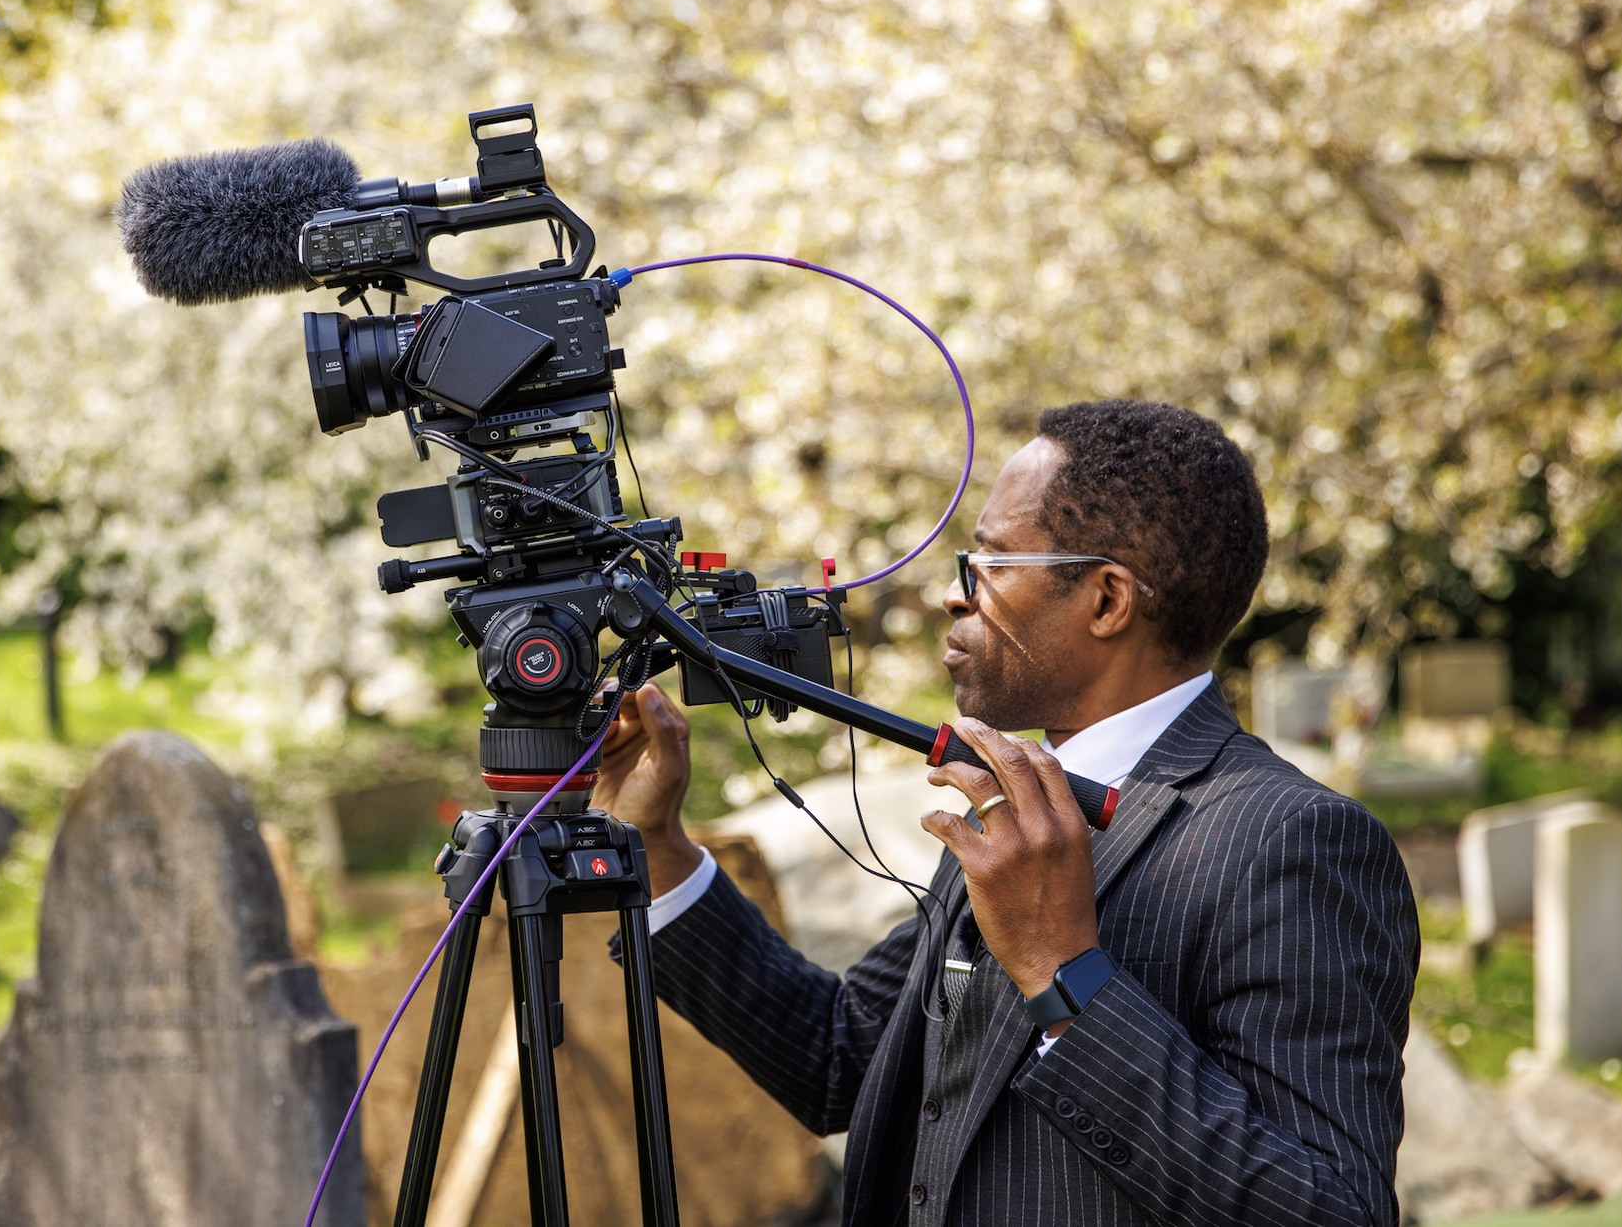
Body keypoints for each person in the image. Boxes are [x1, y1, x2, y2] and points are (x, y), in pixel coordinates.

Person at [594, 399, 1418, 1226]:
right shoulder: (1021, 802)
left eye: (987, 564)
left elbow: (1330, 1211)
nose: (955, 599)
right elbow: (837, 1057)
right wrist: (656, 845)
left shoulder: (1291, 840)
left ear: (1106, 601)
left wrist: (1065, 973)